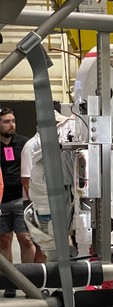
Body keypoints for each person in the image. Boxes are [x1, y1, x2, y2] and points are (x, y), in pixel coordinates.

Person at [20, 110, 75, 261]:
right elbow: (27, 179)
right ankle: (39, 279)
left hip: (57, 196)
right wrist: (37, 203)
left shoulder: (57, 145)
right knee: (45, 246)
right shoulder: (32, 146)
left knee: (57, 241)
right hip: (41, 199)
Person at [0, 107, 33, 296]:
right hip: (1, 201)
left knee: (25, 238)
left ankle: (30, 281)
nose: (11, 124)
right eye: (6, 121)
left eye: (13, 120)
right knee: (4, 241)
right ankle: (11, 282)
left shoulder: (23, 143)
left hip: (21, 199)